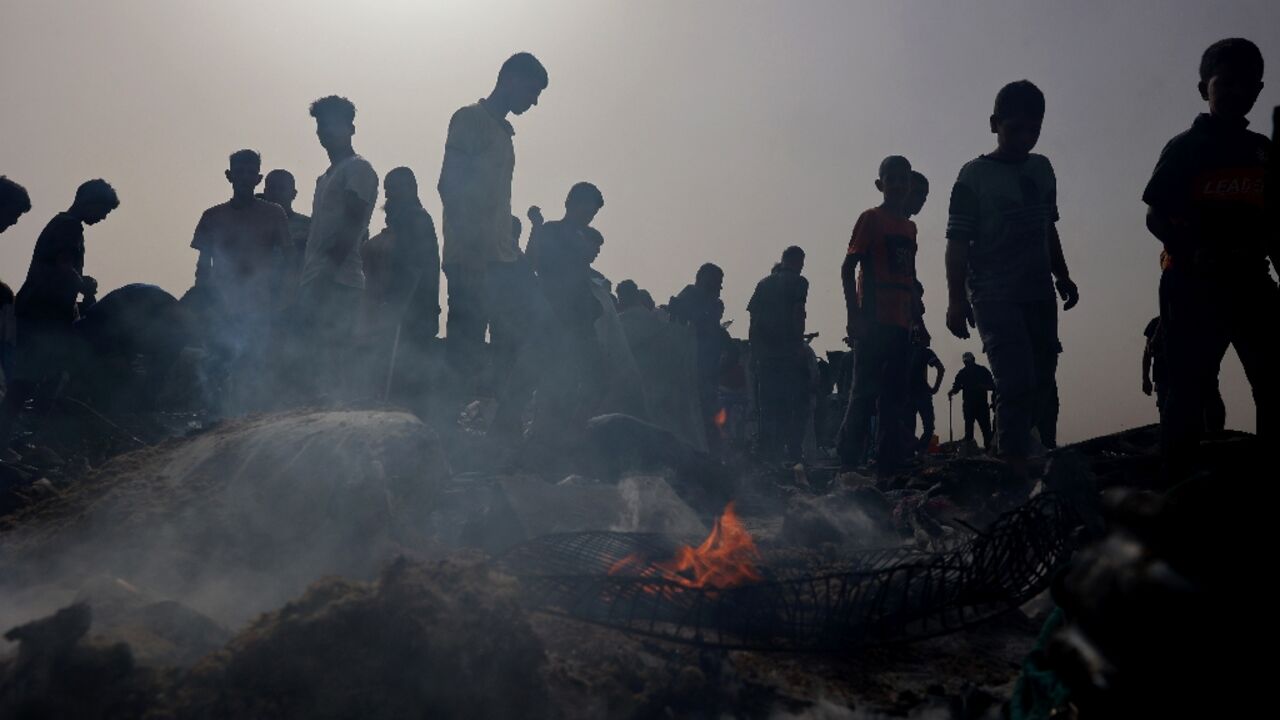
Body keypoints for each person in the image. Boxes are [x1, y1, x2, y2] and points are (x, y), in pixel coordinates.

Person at [1143, 38, 1276, 473]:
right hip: (1193, 286)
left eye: (1247, 84)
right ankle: (1177, 486)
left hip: (1252, 282)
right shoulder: (1187, 147)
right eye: (1226, 82)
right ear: (1204, 88)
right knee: (1187, 389)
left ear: (1259, 90)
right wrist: (1193, 251)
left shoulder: (1263, 153)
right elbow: (1156, 216)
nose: (1237, 91)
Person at [945, 80, 1079, 478]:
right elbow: (957, 243)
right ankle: (1012, 466)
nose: (1024, 137)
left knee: (1043, 381)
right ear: (994, 125)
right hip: (992, 294)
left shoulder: (1042, 169)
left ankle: (1043, 459)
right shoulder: (972, 176)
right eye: (1014, 128)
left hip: (1037, 291)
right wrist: (956, 300)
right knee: (1015, 378)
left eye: (1033, 129)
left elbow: (1047, 228)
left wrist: (1063, 274)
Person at [438, 52, 548, 398]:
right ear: (511, 79)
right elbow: (449, 184)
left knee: (533, 329)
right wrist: (471, 252)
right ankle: (447, 425)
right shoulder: (471, 118)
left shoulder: (504, 134)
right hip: (472, 256)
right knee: (465, 344)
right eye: (532, 92)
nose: (534, 102)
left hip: (502, 257)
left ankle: (498, 416)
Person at [0, 180, 119, 439]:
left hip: (47, 312)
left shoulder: (64, 224)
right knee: (29, 379)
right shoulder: (69, 226)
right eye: (103, 211)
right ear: (89, 201)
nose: (102, 217)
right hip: (42, 313)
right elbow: (64, 266)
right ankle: (13, 438)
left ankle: (25, 438)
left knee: (47, 377)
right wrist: (85, 287)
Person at [191, 149, 292, 411]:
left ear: (258, 178)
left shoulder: (274, 214)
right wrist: (204, 298)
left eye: (250, 172)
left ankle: (253, 421)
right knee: (218, 362)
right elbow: (203, 265)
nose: (245, 177)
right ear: (229, 175)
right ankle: (215, 419)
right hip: (223, 302)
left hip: (261, 303)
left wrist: (282, 300)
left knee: (256, 363)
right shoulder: (212, 216)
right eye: (240, 172)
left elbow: (286, 261)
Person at [837, 156, 919, 475]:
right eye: (892, 179)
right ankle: (849, 460)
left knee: (895, 397)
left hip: (900, 324)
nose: (898, 185)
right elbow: (848, 268)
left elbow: (909, 278)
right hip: (872, 320)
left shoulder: (910, 228)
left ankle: (887, 462)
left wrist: (916, 320)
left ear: (909, 185)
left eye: (904, 179)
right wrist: (854, 315)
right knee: (864, 392)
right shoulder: (871, 219)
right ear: (880, 184)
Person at [298, 95, 379, 402]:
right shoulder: (324, 178)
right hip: (316, 278)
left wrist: (324, 277)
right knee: (314, 360)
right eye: (321, 125)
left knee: (333, 360)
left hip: (338, 282)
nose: (324, 131)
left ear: (350, 128)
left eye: (332, 124)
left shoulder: (358, 169)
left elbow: (352, 225)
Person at [527, 182, 606, 433]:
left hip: (580, 321)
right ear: (573, 204)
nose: (590, 217)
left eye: (593, 214)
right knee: (556, 379)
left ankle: (567, 433)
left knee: (594, 378)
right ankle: (549, 434)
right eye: (588, 210)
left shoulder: (582, 237)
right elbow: (535, 262)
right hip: (558, 319)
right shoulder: (553, 231)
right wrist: (537, 227)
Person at [360, 167, 439, 402]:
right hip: (407, 307)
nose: (392, 195)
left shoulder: (415, 218)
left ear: (411, 189)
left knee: (405, 375)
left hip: (411, 308)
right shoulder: (406, 220)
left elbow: (413, 266)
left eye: (397, 189)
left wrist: (397, 306)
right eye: (389, 190)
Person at [747, 246, 810, 464]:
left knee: (767, 404)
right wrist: (799, 345)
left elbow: (753, 320)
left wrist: (754, 351)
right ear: (795, 260)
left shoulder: (763, 284)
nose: (802, 267)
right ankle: (791, 452)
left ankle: (767, 453)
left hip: (765, 353)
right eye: (801, 262)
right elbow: (798, 313)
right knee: (790, 402)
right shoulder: (799, 282)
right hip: (787, 352)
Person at [668, 263, 729, 455]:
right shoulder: (690, 299)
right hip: (691, 374)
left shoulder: (708, 304)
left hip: (705, 374)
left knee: (711, 421)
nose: (719, 288)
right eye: (717, 283)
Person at [1143, 315, 1226, 432]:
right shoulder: (1155, 323)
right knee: (1168, 410)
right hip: (1164, 378)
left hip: (1182, 378)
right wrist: (1145, 378)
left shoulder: (1191, 322)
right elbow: (1147, 354)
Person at [907, 328, 945, 453]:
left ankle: (911, 452)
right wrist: (935, 388)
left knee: (908, 428)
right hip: (922, 393)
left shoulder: (903, 352)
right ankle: (920, 449)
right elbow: (940, 368)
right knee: (928, 427)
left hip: (907, 394)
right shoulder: (925, 352)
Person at [949, 351, 995, 450]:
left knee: (985, 431)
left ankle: (988, 450)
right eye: (966, 362)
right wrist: (952, 391)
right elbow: (956, 388)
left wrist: (982, 387)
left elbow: (992, 386)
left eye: (968, 362)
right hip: (972, 406)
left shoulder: (979, 371)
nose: (968, 364)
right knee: (973, 432)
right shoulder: (964, 373)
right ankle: (974, 451)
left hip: (979, 406)